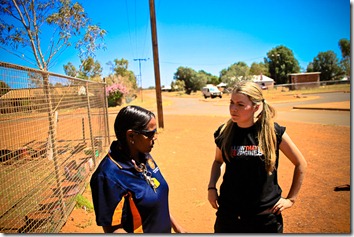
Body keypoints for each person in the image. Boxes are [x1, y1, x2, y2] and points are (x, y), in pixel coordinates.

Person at [207, 81, 307, 233]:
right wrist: (211, 187)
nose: (233, 109)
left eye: (240, 104)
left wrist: (291, 199)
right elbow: (218, 161)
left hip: (264, 220)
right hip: (229, 217)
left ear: (257, 107)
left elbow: (300, 163)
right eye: (231, 103)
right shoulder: (224, 132)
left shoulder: (273, 132)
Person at [90, 105, 185, 233]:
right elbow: (113, 229)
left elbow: (157, 202)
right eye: (150, 133)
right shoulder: (108, 176)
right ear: (131, 136)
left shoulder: (143, 156)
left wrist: (177, 227)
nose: (155, 138)